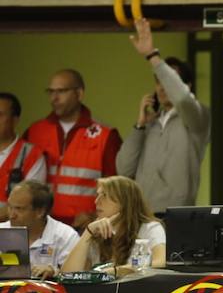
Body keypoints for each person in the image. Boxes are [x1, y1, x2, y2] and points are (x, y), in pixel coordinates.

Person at [116, 20, 210, 217]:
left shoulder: (197, 117)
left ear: (187, 85)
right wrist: (140, 126)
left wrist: (153, 57)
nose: (161, 86)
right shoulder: (150, 123)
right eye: (158, 80)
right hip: (142, 214)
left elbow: (183, 98)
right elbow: (123, 169)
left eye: (168, 80)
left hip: (178, 215)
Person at [25, 69, 122, 229]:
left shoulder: (105, 135)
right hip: (41, 225)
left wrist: (95, 214)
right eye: (51, 92)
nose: (54, 98)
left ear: (79, 93)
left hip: (85, 227)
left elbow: (116, 188)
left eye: (61, 91)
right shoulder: (35, 131)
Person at [62, 175, 166, 277]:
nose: (96, 201)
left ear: (124, 201)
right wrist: (88, 232)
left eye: (104, 196)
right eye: (97, 195)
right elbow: (67, 275)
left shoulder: (150, 228)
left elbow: (160, 263)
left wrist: (115, 271)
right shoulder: (96, 231)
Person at [0, 181, 78, 279]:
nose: (11, 215)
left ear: (40, 212)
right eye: (10, 207)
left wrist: (54, 273)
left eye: (19, 209)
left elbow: (74, 278)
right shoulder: (2, 231)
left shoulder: (67, 237)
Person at [0, 92, 46, 218]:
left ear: (15, 120)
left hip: (11, 234)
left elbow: (28, 203)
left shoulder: (32, 155)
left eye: (0, 115)